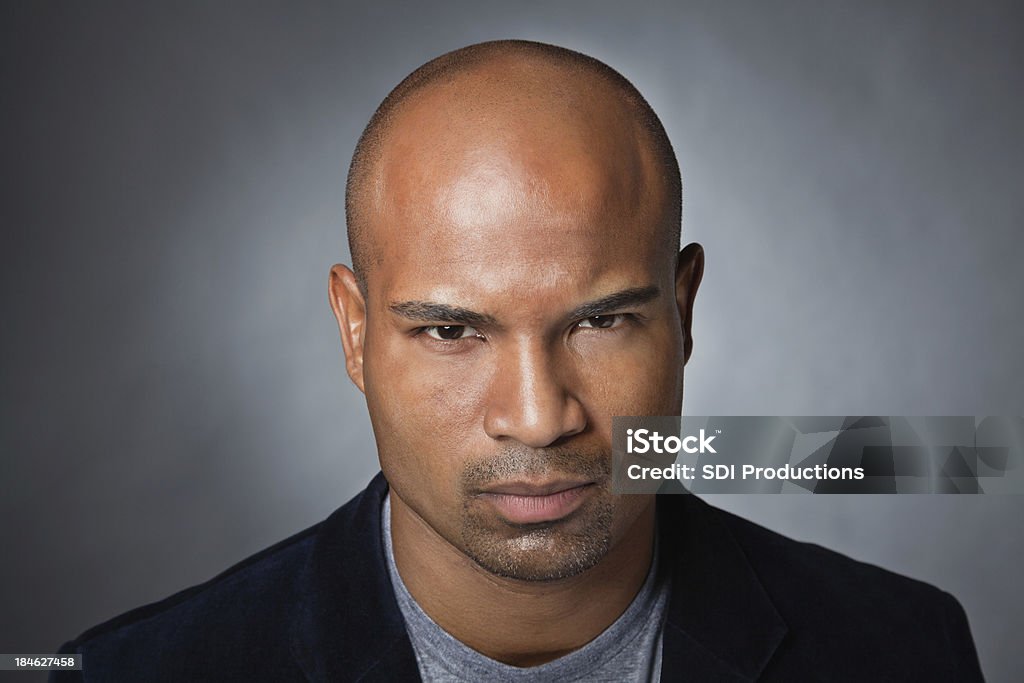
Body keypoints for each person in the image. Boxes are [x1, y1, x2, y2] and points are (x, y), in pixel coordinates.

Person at [53, 40, 984, 682]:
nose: (539, 417)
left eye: (601, 321)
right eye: (453, 332)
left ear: (684, 310)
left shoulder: (905, 648)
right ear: (354, 331)